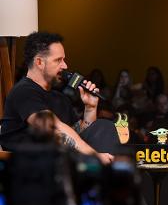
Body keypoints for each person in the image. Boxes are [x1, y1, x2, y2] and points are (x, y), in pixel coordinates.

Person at [0, 32, 116, 164]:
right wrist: (95, 156)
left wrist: (90, 108)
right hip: (31, 167)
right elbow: (53, 128)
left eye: (64, 59)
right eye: (58, 60)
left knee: (104, 125)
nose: (65, 66)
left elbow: (78, 135)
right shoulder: (23, 91)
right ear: (39, 62)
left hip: (63, 162)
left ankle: (103, 178)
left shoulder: (60, 98)